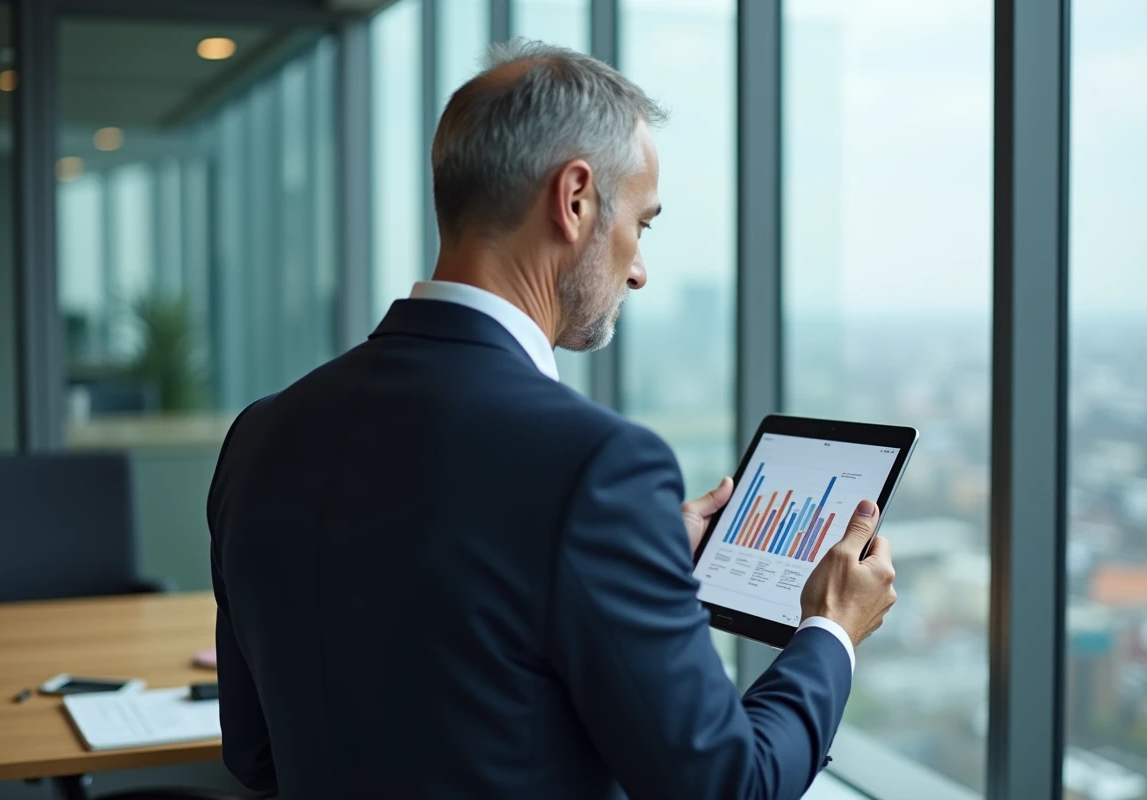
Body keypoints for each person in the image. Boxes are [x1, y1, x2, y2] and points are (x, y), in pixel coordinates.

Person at [208, 40, 897, 799]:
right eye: (643, 221)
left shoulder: (261, 435)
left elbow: (256, 752)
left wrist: (619, 550)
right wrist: (830, 629)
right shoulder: (594, 465)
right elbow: (730, 784)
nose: (639, 268)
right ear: (574, 200)